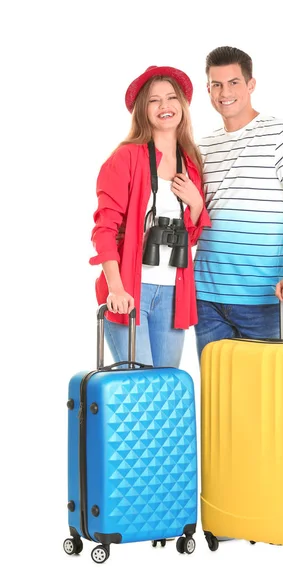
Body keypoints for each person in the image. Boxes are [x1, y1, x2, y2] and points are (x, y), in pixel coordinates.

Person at [194, 46, 283, 358]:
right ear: (207, 89)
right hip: (205, 299)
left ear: (251, 85)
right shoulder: (203, 146)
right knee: (220, 400)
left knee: (280, 400)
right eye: (217, 84)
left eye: (234, 82)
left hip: (263, 299)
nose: (225, 93)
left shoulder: (282, 135)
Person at [89, 65, 211, 367]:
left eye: (171, 98)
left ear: (182, 106)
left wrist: (196, 204)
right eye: (154, 100)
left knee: (166, 388)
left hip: (174, 294)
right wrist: (116, 288)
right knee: (138, 388)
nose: (165, 106)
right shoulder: (126, 157)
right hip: (131, 289)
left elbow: (192, 237)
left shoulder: (191, 162)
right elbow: (104, 229)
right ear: (142, 109)